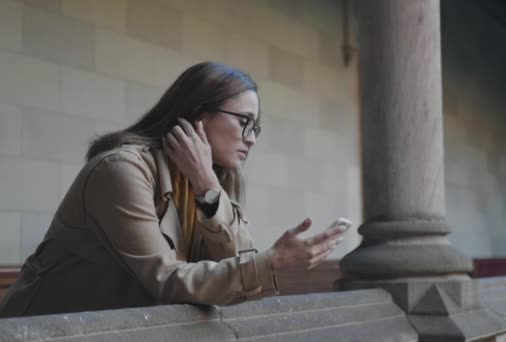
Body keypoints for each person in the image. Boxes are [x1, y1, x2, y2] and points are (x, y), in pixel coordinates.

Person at [0, 62, 346, 317]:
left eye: (256, 127)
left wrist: (209, 189)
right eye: (244, 122)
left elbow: (240, 276)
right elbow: (165, 279)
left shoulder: (212, 180)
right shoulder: (121, 170)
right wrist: (273, 261)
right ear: (198, 115)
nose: (252, 138)